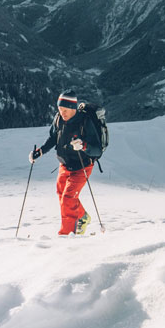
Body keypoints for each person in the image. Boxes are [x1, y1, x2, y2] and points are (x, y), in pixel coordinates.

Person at [30, 92, 102, 235]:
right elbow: (53, 138)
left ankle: (67, 235)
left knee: (68, 198)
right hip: (64, 165)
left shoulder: (85, 121)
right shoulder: (59, 119)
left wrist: (83, 145)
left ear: (73, 108)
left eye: (65, 110)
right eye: (60, 110)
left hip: (82, 166)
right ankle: (82, 217)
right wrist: (40, 151)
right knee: (62, 194)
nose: (62, 113)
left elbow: (97, 150)